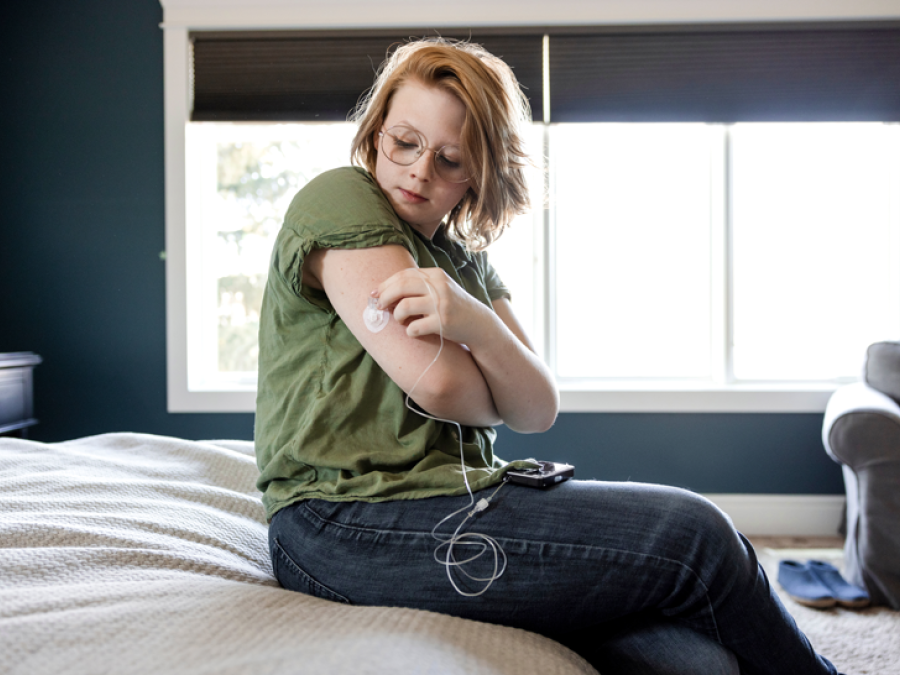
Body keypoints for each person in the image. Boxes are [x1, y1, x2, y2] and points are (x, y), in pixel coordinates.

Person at [255, 38, 843, 675]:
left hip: (462, 499)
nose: (420, 171)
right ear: (374, 136)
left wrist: (474, 321)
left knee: (694, 663)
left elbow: (537, 406)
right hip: (343, 525)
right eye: (404, 142)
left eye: (450, 158)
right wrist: (489, 383)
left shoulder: (463, 258)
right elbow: (444, 388)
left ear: (478, 173)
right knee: (694, 534)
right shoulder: (340, 197)